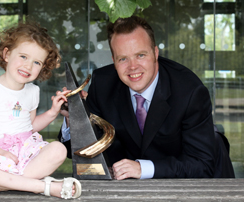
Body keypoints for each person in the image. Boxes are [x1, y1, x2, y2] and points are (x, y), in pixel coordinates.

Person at [59, 16, 235, 179]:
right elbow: (83, 152)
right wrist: (73, 118)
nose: (133, 67)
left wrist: (143, 168)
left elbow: (202, 165)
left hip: (183, 185)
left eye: (140, 55)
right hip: (126, 190)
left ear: (155, 53)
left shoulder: (189, 91)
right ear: (113, 60)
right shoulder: (103, 84)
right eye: (123, 59)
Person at [0, 21, 82, 199]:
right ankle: (43, 187)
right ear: (7, 54)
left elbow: (30, 126)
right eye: (23, 57)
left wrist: (52, 112)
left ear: (42, 67)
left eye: (36, 62)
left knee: (59, 150)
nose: (28, 66)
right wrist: (1, 152)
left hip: (25, 153)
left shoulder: (33, 91)